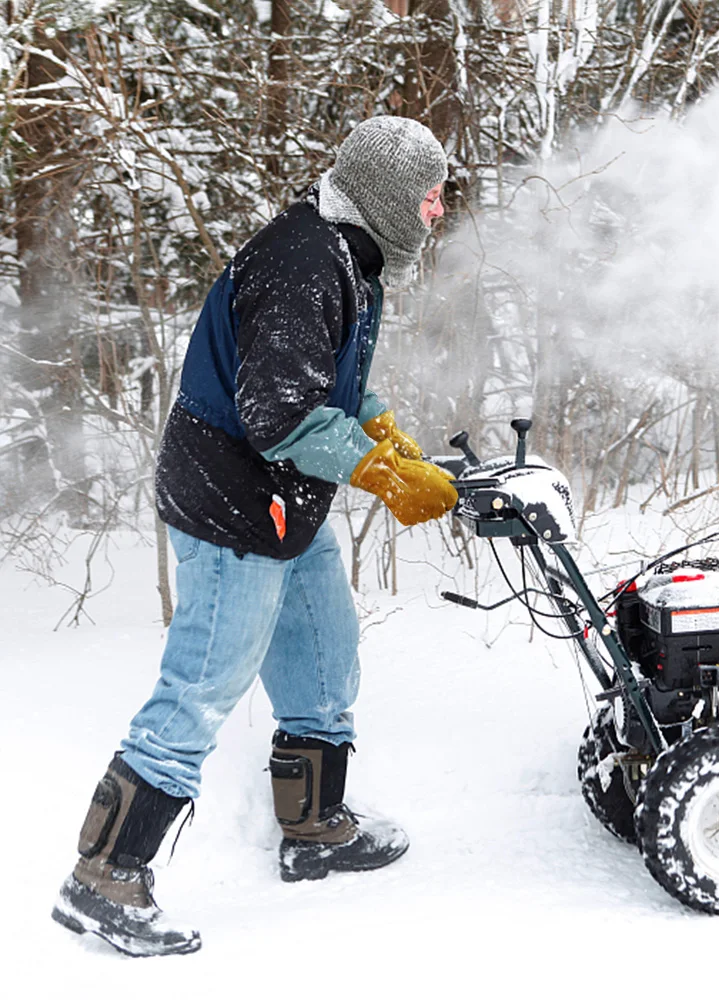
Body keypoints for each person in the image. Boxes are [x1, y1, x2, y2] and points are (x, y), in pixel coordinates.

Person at [51, 117, 458, 958]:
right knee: (206, 680)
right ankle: (106, 874)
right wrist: (382, 474)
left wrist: (385, 433)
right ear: (386, 195)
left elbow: (329, 382)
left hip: (284, 498)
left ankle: (314, 827)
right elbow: (277, 414)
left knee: (322, 654)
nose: (439, 211)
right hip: (235, 499)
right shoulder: (308, 261)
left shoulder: (350, 257)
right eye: (429, 195)